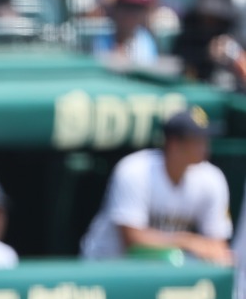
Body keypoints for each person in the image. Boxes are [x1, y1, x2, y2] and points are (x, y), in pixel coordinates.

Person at [80, 107, 233, 264]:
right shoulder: (135, 170)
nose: (205, 146)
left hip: (161, 272)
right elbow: (133, 240)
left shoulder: (212, 178)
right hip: (106, 267)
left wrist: (211, 251)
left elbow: (217, 245)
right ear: (174, 144)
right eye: (197, 140)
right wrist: (186, 241)